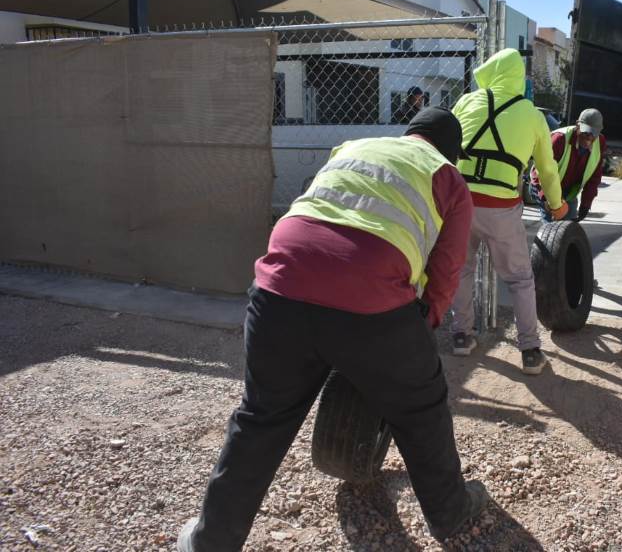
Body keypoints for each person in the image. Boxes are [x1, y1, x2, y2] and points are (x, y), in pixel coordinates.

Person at [177, 107, 488, 552]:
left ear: (410, 133)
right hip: (370, 301)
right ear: (451, 152)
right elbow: (446, 272)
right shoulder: (447, 177)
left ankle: (210, 542)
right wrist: (419, 331)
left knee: (261, 416)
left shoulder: (354, 147)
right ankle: (451, 512)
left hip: (277, 291)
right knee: (421, 407)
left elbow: (318, 214)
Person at [449, 48, 568, 375]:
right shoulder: (532, 115)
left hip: (459, 203)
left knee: (461, 270)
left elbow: (446, 145)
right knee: (518, 279)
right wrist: (557, 205)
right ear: (517, 78)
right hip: (501, 207)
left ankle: (462, 335)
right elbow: (547, 168)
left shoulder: (466, 102)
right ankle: (530, 350)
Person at [529, 108, 606, 222]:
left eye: (593, 133)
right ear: (577, 125)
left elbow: (594, 177)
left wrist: (586, 204)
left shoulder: (600, 142)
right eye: (586, 132)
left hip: (567, 192)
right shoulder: (559, 139)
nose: (589, 137)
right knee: (551, 230)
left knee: (569, 228)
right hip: (545, 187)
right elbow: (541, 171)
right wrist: (546, 199)